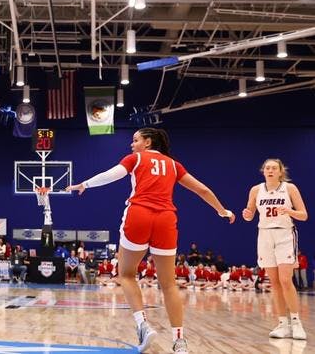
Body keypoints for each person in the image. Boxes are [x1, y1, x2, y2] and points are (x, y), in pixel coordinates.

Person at [66, 128, 235, 354]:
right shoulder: (174, 164)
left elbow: (110, 175)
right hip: (166, 219)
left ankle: (143, 325)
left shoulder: (135, 159)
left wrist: (84, 184)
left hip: (139, 215)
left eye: (135, 140)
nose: (132, 144)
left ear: (147, 142)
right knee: (169, 284)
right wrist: (222, 211)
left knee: (126, 274)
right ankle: (179, 341)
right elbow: (202, 190)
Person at [242, 158, 308, 340]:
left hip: (285, 234)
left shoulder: (290, 188)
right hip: (264, 235)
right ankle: (282, 324)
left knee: (286, 280)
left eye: (273, 168)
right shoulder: (256, 190)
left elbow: (304, 215)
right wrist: (247, 215)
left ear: (280, 172)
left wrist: (289, 211)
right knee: (275, 282)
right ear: (263, 171)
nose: (270, 170)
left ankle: (296, 324)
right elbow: (249, 214)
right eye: (267, 168)